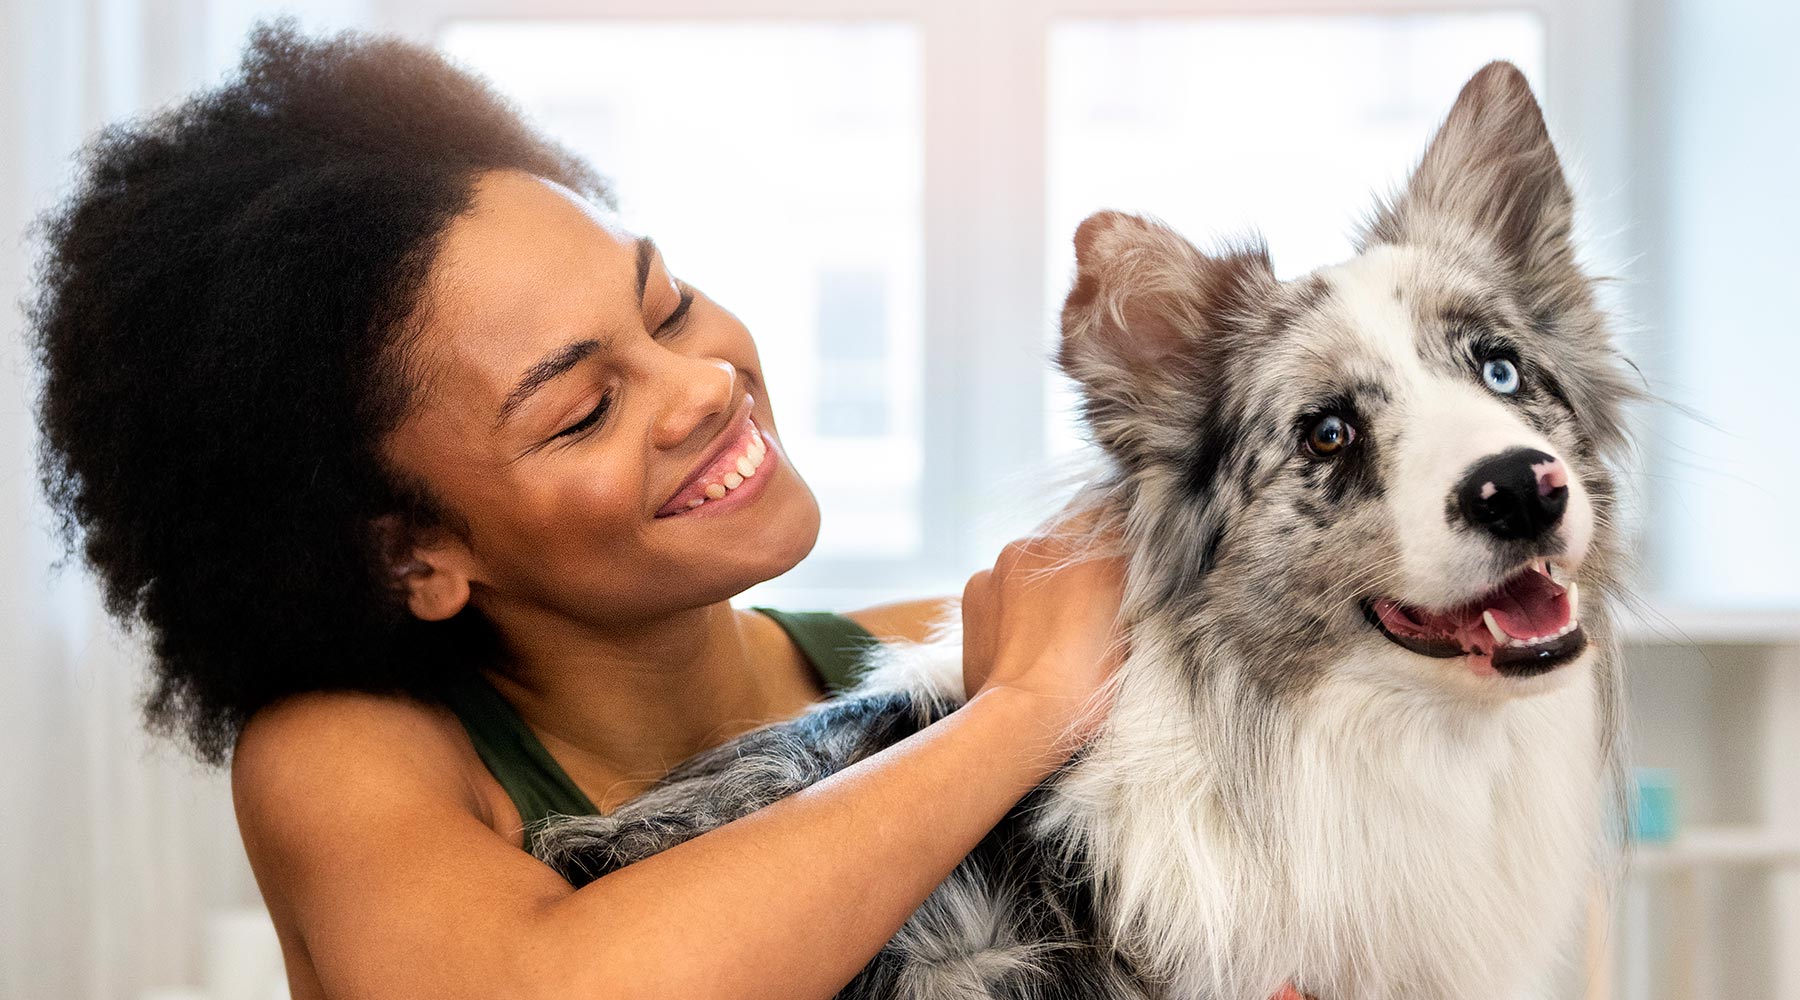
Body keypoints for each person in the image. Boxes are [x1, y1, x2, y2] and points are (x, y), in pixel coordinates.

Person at [28, 22, 1128, 1000]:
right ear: (415, 555)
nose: (703, 386)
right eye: (586, 409)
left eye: (669, 306)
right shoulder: (352, 761)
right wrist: (1020, 718)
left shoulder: (947, 648)